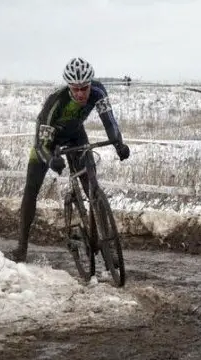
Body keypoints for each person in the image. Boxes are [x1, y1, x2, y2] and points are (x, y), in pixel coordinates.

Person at [9, 57, 131, 262]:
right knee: (31, 192)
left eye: (85, 88)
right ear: (69, 87)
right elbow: (41, 146)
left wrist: (119, 144)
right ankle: (21, 248)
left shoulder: (99, 92)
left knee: (92, 187)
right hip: (48, 143)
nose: (81, 93)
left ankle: (105, 243)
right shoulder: (55, 102)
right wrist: (50, 161)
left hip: (76, 136)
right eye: (76, 89)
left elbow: (109, 121)